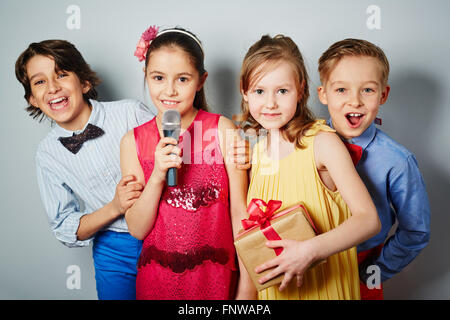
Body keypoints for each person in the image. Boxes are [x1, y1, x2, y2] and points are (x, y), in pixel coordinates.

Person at [238, 34, 381, 300]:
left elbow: (368, 219)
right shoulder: (255, 154)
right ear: (245, 93)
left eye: (282, 91)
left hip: (326, 290)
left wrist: (309, 251)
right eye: (259, 91)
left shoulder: (322, 142)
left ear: (301, 90)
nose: (270, 103)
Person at [14, 39, 157, 299]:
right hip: (112, 250)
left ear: (84, 82)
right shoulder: (47, 155)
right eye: (39, 82)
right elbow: (64, 225)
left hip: (163, 232)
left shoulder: (130, 114)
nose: (53, 88)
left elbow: (179, 161)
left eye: (61, 74)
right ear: (32, 99)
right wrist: (114, 207)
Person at [121, 26, 256, 300]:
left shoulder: (222, 130)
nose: (169, 90)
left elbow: (240, 212)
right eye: (158, 77)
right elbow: (137, 228)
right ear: (146, 76)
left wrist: (247, 287)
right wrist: (158, 175)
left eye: (182, 79)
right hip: (157, 280)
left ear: (201, 80)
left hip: (215, 278)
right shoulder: (132, 141)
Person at [317, 38, 431, 299]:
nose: (354, 101)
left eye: (367, 90)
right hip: (304, 268)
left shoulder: (398, 161)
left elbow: (416, 230)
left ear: (383, 94)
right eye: (341, 90)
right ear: (323, 94)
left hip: (359, 268)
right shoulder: (305, 141)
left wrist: (372, 271)